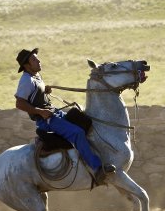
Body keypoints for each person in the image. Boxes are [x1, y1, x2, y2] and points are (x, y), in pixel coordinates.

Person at [14, 48, 115, 185]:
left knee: (84, 120)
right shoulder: (26, 80)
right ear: (26, 65)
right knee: (77, 133)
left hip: (55, 113)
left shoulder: (36, 77)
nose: (38, 61)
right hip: (47, 121)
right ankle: (97, 169)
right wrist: (40, 111)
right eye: (34, 59)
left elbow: (35, 96)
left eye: (37, 58)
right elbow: (19, 103)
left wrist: (44, 91)